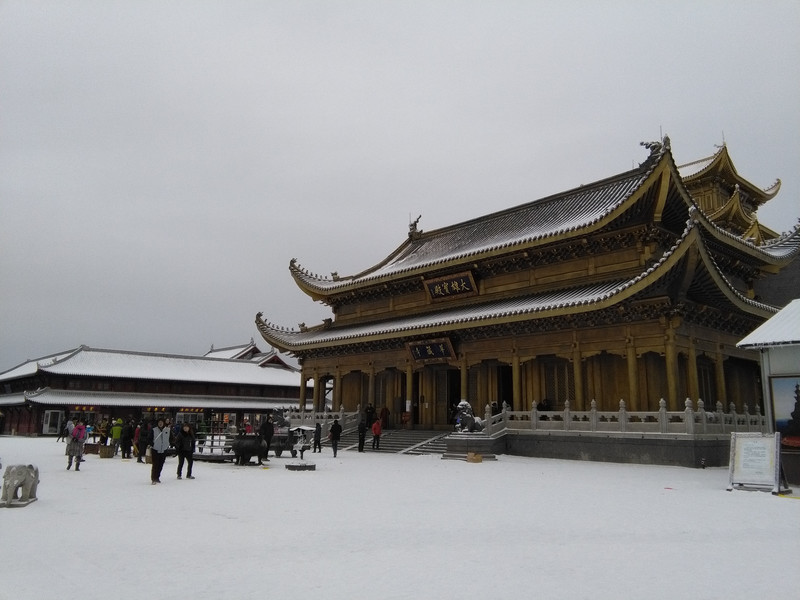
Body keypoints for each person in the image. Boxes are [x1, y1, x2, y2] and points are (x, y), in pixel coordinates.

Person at [149, 418, 171, 485]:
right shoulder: (154, 430)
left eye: (161, 422)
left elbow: (171, 438)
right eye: (159, 422)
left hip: (163, 449)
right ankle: (153, 478)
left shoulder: (167, 430)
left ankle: (157, 477)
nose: (160, 424)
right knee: (155, 464)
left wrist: (168, 444)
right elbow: (149, 438)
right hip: (155, 449)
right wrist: (152, 444)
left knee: (161, 464)